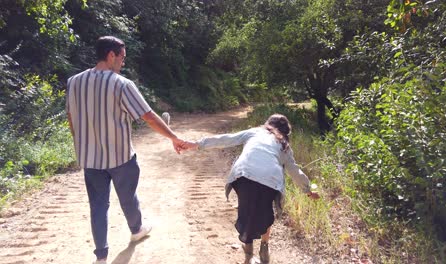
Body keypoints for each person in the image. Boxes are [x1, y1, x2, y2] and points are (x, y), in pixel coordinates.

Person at [66, 36, 187, 264]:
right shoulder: (121, 84)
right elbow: (148, 116)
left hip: (90, 159)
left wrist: (80, 143)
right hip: (120, 157)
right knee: (127, 197)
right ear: (111, 55)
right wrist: (173, 137)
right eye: (122, 57)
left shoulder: (74, 82)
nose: (123, 62)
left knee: (98, 206)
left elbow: (71, 117)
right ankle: (137, 229)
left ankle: (101, 256)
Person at [183, 114, 320, 263]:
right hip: (269, 179)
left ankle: (248, 251)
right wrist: (308, 190)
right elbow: (294, 171)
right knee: (265, 212)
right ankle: (264, 249)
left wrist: (197, 144)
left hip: (244, 174)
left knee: (246, 209)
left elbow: (227, 139)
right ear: (286, 131)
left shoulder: (255, 132)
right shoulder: (284, 145)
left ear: (268, 124)